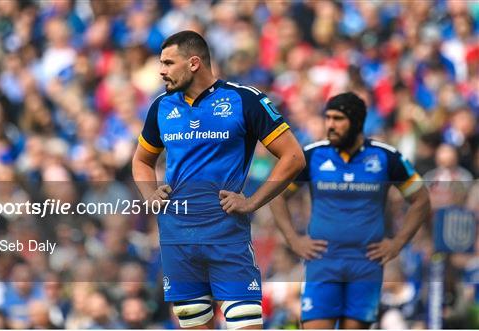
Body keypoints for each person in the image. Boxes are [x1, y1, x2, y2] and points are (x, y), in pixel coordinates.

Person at [132, 30, 304, 329]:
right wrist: (149, 195)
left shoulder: (244, 99)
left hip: (226, 235)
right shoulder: (162, 106)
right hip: (178, 238)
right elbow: (141, 160)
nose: (161, 71)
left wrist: (252, 202)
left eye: (168, 63)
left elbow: (293, 157)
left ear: (194, 63)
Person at [269, 92, 431, 329]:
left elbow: (421, 199)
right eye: (328, 118)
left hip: (366, 263)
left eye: (338, 119)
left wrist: (397, 243)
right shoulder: (312, 155)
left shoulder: (386, 157)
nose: (330, 125)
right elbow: (277, 195)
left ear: (356, 122)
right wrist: (294, 240)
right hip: (322, 261)